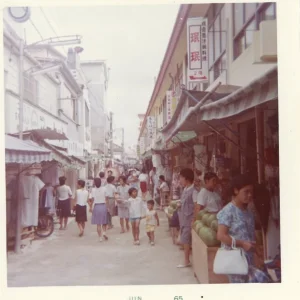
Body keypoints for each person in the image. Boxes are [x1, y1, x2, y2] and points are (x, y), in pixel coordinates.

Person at [216, 174, 270, 283]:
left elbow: (250, 235)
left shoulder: (248, 212)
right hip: (235, 260)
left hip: (248, 259)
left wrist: (257, 252)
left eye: (251, 192)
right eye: (246, 192)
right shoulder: (228, 211)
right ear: (236, 190)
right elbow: (221, 235)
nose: (250, 195)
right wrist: (242, 244)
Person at [176, 168, 195, 268]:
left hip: (189, 219)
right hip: (183, 218)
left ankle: (186, 261)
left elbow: (197, 206)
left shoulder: (194, 190)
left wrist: (194, 219)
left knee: (186, 240)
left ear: (186, 179)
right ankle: (187, 259)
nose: (180, 180)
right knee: (185, 240)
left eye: (181, 178)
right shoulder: (185, 189)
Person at [90, 177, 109, 242]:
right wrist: (107, 207)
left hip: (96, 206)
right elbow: (107, 198)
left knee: (98, 224)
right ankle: (104, 232)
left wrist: (90, 207)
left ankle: (100, 237)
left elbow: (92, 200)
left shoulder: (93, 190)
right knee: (104, 222)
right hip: (103, 206)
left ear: (95, 183)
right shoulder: (104, 189)